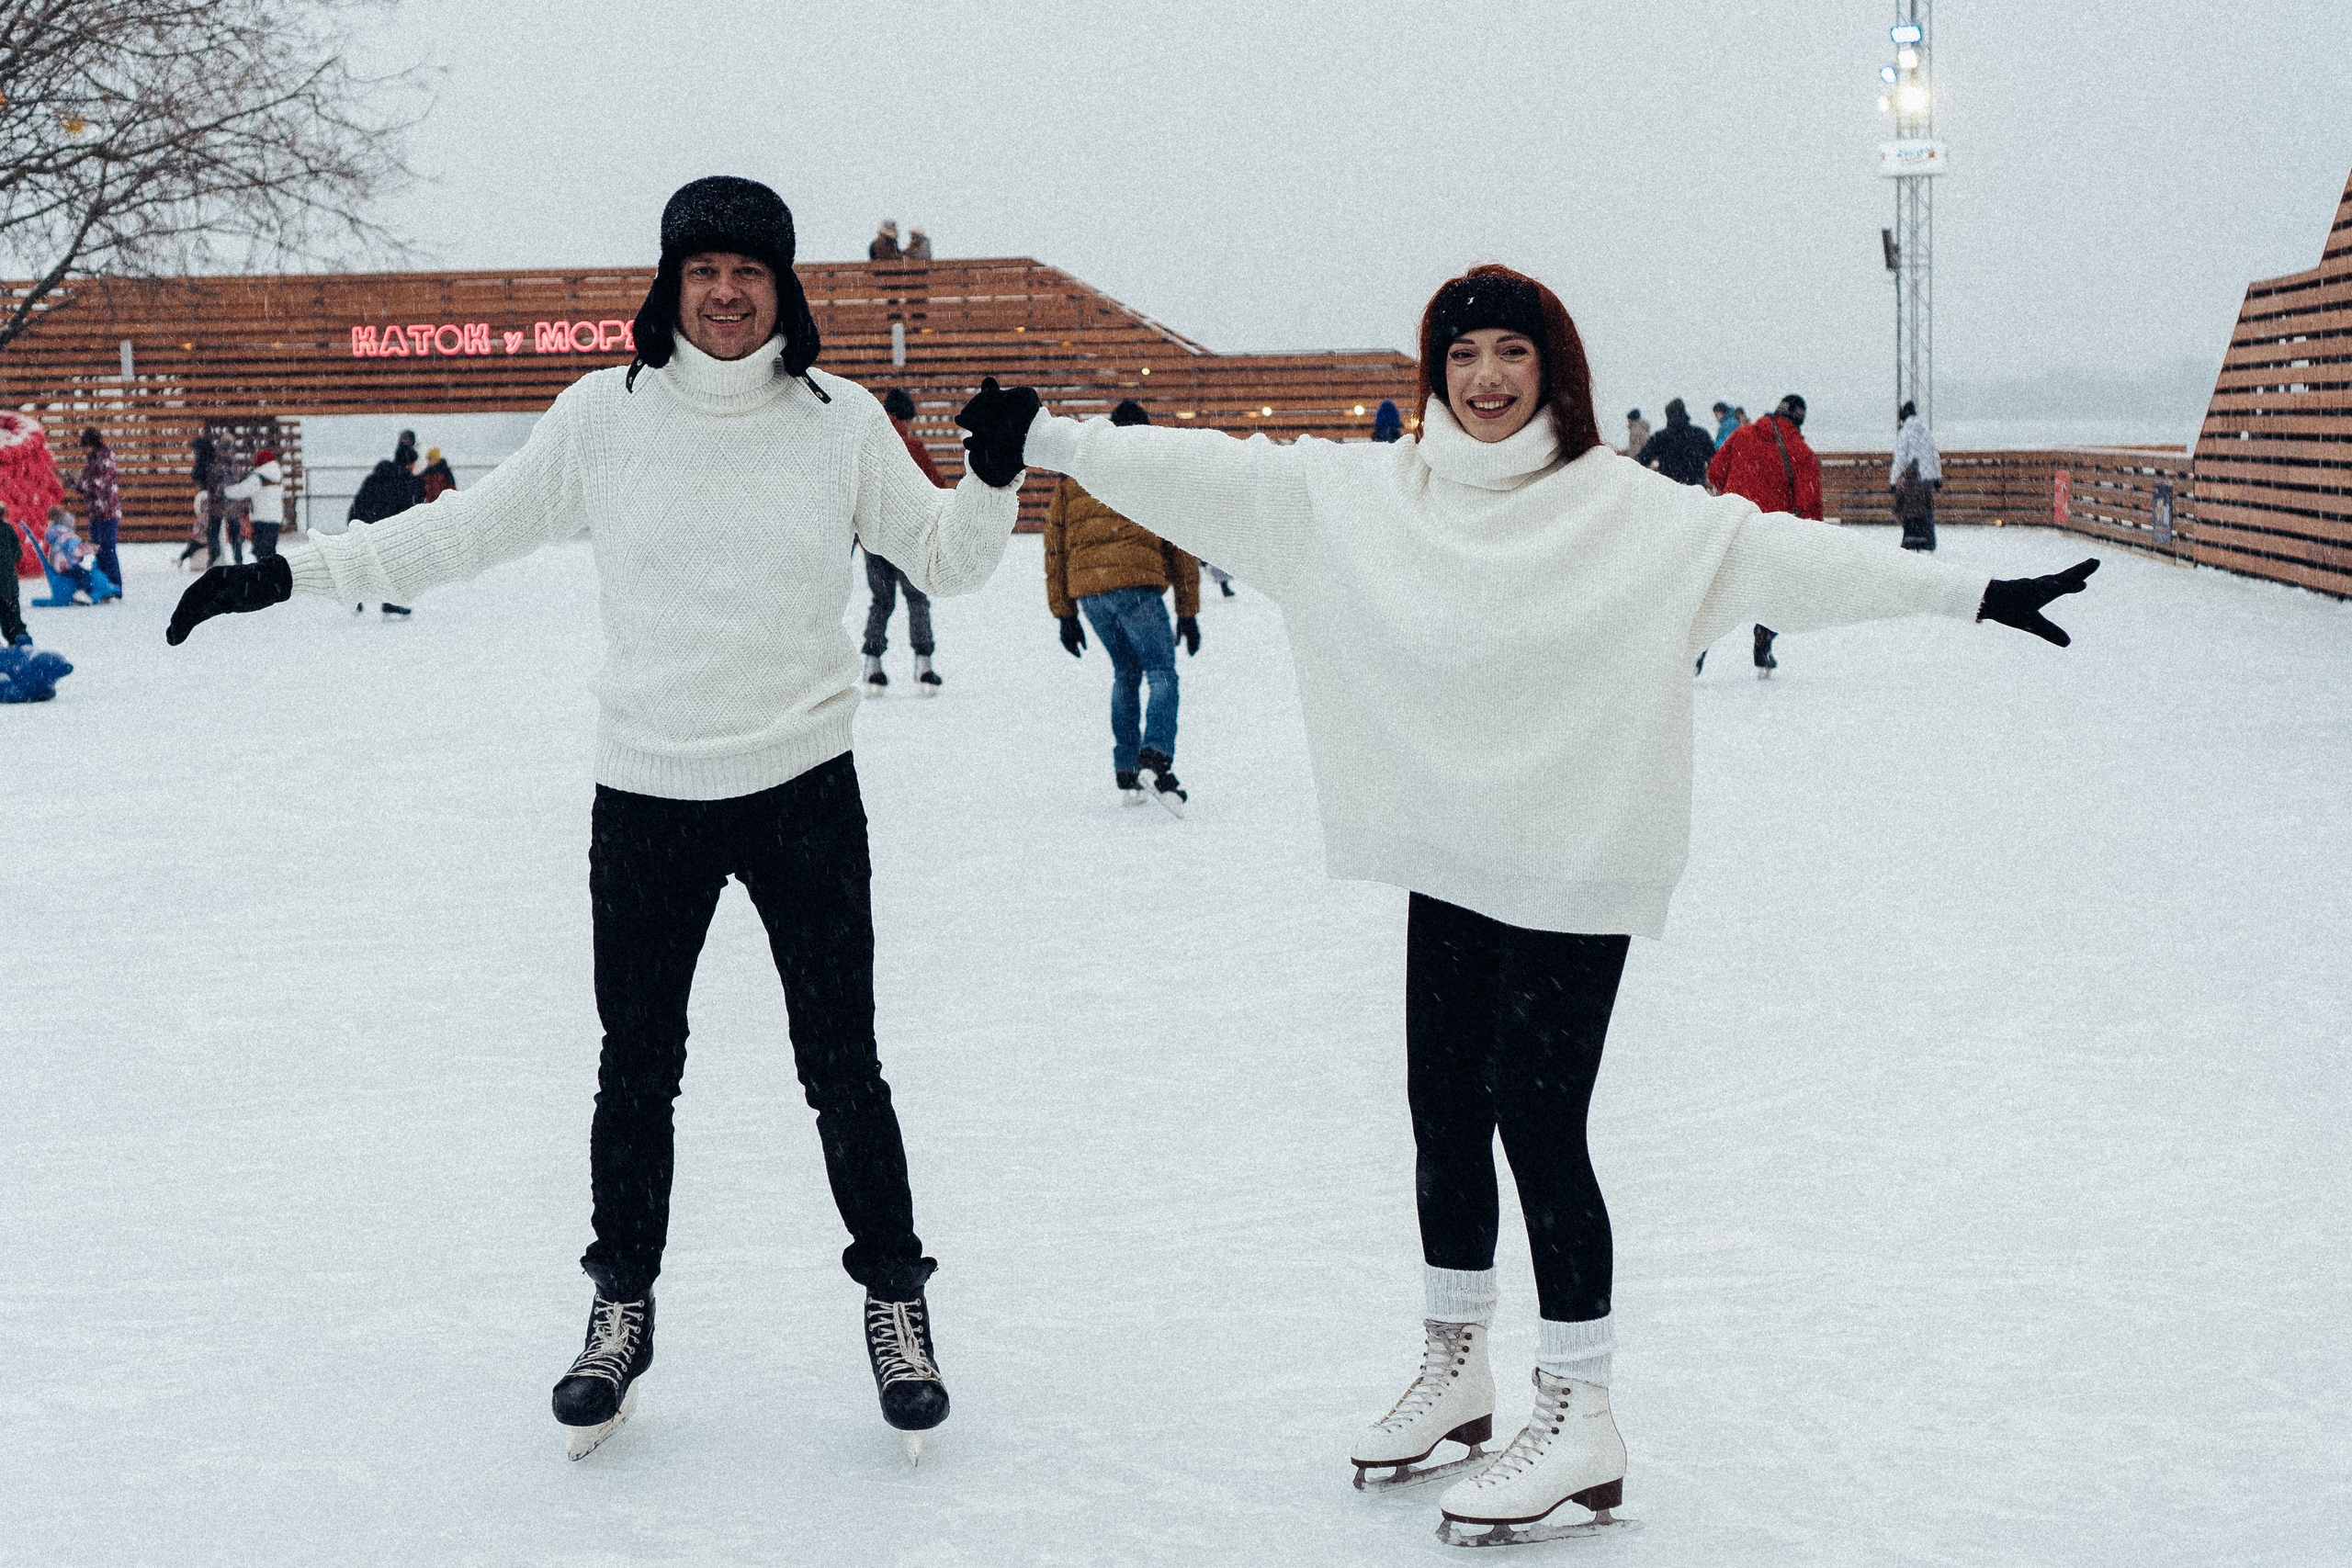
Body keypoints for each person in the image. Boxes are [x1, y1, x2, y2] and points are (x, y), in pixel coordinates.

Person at [970, 261, 2098, 1545]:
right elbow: (1216, 476)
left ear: (1552, 367)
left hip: (1577, 854)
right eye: (1463, 356)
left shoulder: (1623, 508)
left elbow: (1781, 558)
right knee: (1443, 1108)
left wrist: (1970, 590)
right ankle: (1460, 1365)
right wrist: (1048, 438)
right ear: (1435, 374)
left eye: (1511, 351)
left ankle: (1583, 1405)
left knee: (1538, 1119)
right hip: (1452, 854)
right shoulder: (1372, 497)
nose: (1487, 378)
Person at [165, 175, 1035, 1464]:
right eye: (705, 271)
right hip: (648, 794)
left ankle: (897, 1303)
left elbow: (951, 561)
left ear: (785, 286)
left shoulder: (840, 420)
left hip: (804, 783)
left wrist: (992, 477)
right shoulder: (603, 417)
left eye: (750, 269)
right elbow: (459, 534)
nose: (728, 293)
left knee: (841, 1064)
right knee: (637, 1068)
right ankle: (618, 1308)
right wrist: (289, 569)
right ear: (671, 285)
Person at [1044, 399, 1201, 815]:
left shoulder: (1077, 474)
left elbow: (1055, 549)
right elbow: (1180, 543)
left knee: (1126, 672)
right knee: (1162, 673)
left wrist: (1064, 614)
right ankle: (1154, 759)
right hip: (1135, 587)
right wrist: (1188, 610)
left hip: (1090, 594)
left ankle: (1127, 766)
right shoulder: (1155, 470)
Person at [1706, 394, 1823, 677]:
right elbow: (1809, 505)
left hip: (1735, 527)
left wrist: (1734, 496)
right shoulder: (1801, 452)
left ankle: (1699, 646)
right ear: (1800, 420)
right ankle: (1764, 637)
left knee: (1721, 591)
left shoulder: (1741, 435)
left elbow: (1715, 472)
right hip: (1772, 535)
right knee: (1778, 591)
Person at [860, 389, 944, 695]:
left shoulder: (868, 447)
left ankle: (872, 665)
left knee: (881, 602)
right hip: (908, 541)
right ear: (900, 416)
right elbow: (937, 485)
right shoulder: (912, 446)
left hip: (874, 541)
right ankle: (924, 665)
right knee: (917, 600)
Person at [345, 442, 417, 617]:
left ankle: (355, 598)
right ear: (409, 463)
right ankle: (390, 603)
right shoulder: (404, 480)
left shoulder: (376, 476)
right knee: (393, 566)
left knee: (366, 564)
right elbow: (404, 510)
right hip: (383, 527)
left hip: (362, 524)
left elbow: (360, 501)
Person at [1891, 400, 1942, 552]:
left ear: (1903, 417)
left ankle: (1912, 541)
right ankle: (1926, 540)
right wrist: (1938, 478)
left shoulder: (1905, 433)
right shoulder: (1926, 432)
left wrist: (1893, 480)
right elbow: (1935, 456)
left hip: (1912, 478)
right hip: (1926, 480)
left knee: (1910, 510)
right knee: (1924, 510)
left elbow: (1900, 458)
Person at [79, 427, 122, 596]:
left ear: (93, 444)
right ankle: (103, 585)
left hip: (107, 512)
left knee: (107, 550)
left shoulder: (105, 458)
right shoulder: (92, 459)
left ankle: (114, 586)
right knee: (98, 550)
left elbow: (99, 484)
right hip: (95, 513)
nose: (85, 450)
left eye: (86, 446)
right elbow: (89, 484)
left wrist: (80, 485)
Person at [225, 447, 290, 559]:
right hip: (275, 518)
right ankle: (271, 573)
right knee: (270, 550)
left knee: (261, 552)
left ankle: (263, 574)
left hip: (262, 518)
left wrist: (225, 491)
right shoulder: (277, 475)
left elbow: (241, 491)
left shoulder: (258, 477)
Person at [1634, 398, 1714, 486]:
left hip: (1670, 488)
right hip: (1696, 488)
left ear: (1668, 416)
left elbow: (1642, 460)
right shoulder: (1700, 434)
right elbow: (1714, 460)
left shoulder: (1661, 437)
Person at [44, 506, 109, 601]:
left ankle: (84, 591)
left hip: (59, 564)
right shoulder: (67, 536)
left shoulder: (57, 534)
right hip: (66, 566)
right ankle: (80, 592)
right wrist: (89, 549)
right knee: (85, 575)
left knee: (81, 572)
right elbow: (75, 550)